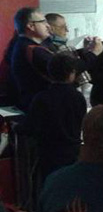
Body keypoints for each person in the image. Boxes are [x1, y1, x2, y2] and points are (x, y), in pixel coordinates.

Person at [10, 8, 100, 112]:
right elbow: (66, 70)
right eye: (43, 22)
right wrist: (94, 54)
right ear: (30, 26)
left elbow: (63, 60)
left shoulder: (31, 46)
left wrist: (85, 51)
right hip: (43, 108)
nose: (48, 26)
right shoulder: (32, 50)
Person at [17, 53, 87, 183]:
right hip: (73, 151)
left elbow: (30, 126)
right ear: (72, 73)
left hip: (49, 153)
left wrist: (17, 127)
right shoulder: (78, 97)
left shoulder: (41, 98)